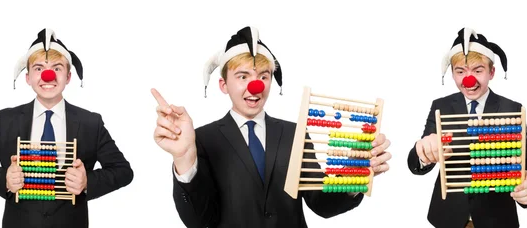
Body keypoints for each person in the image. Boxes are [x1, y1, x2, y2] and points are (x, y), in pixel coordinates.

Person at [152, 26, 392, 228]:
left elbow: (322, 205)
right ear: (224, 85)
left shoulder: (294, 134)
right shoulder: (202, 139)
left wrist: (353, 177)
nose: (255, 85)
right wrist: (184, 158)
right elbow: (198, 219)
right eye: (243, 76)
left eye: (263, 76)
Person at [0, 28, 134, 227]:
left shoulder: (90, 123)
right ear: (28, 78)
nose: (48, 75)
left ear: (68, 77)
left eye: (57, 68)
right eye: (39, 68)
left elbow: (123, 171)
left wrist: (87, 182)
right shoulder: (7, 120)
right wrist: (4, 179)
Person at [406, 27, 527, 228]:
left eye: (478, 71)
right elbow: (416, 159)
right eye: (460, 72)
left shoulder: (512, 109)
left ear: (491, 72)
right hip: (448, 216)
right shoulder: (440, 106)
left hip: (497, 218)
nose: (469, 80)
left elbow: (523, 160)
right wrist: (423, 153)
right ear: (452, 74)